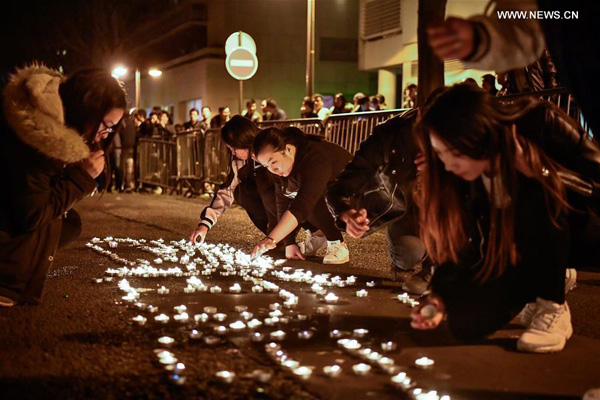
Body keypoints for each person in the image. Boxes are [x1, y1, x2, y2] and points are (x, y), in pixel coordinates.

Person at [410, 84, 600, 353]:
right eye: (440, 154)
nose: (448, 164)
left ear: (475, 135)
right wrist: (439, 295)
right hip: (516, 250)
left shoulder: (542, 123)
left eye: (454, 153)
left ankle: (552, 303)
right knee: (464, 324)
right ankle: (540, 279)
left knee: (536, 194)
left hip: (584, 233)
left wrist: (543, 173)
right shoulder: (464, 174)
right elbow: (465, 238)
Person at [0, 65, 126, 306]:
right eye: (105, 124)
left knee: (70, 223)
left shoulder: (53, 125)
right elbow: (32, 214)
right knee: (56, 221)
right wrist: (82, 177)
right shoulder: (39, 139)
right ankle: (9, 279)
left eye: (112, 128)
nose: (106, 134)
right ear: (85, 109)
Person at [426, 0, 599, 140]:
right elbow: (523, 23)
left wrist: (552, 98)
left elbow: (548, 65)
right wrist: (481, 39)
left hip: (549, 98)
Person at [326, 105, 434, 294]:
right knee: (409, 251)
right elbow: (344, 183)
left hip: (449, 217)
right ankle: (416, 258)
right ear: (419, 116)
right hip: (408, 215)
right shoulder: (390, 135)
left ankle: (439, 266)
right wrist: (346, 213)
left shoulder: (471, 141)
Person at [251, 127, 352, 264]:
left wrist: (271, 239)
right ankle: (319, 235)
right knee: (293, 197)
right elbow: (283, 202)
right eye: (266, 165)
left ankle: (337, 244)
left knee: (307, 199)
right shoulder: (279, 170)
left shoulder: (314, 159)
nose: (272, 169)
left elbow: (303, 204)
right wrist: (289, 243)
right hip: (334, 197)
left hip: (360, 198)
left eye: (273, 162)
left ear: (288, 149)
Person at [189, 116, 277, 245]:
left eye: (234, 149)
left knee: (266, 187)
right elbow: (227, 191)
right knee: (242, 192)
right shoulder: (240, 162)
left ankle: (311, 233)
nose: (233, 153)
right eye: (230, 149)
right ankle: (275, 235)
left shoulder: (271, 149)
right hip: (277, 206)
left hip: (293, 202)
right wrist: (205, 224)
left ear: (244, 141)